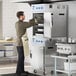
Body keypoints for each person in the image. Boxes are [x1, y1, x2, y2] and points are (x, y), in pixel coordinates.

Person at [15, 11, 36, 76]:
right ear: (21, 16)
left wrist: (32, 19)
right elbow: (30, 24)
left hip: (19, 43)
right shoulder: (22, 24)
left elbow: (28, 23)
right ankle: (18, 72)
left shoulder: (17, 23)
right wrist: (35, 18)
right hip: (20, 43)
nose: (24, 16)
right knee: (21, 58)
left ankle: (22, 71)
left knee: (22, 57)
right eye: (24, 15)